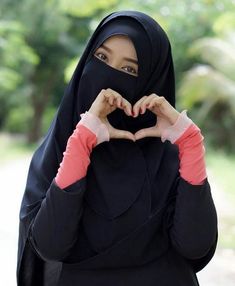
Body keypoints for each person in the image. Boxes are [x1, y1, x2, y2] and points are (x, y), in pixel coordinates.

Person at [16, 10, 218, 286]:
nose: (108, 78)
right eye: (101, 58)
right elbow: (50, 245)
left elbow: (195, 248)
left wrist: (191, 144)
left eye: (129, 70)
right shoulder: (61, 147)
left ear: (151, 81)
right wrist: (82, 142)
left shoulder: (171, 155)